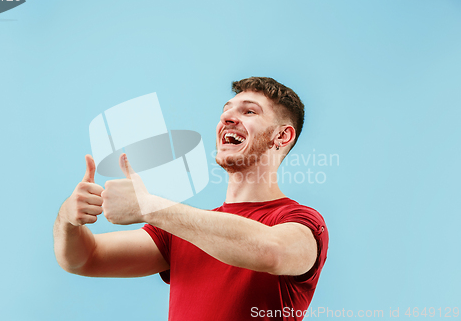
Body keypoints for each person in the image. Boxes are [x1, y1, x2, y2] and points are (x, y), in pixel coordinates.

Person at [53, 77, 329, 321]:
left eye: (248, 111)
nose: (227, 119)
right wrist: (67, 218)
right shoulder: (179, 228)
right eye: (226, 111)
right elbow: (83, 258)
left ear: (282, 135)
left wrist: (149, 207)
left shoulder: (302, 222)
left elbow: (271, 252)